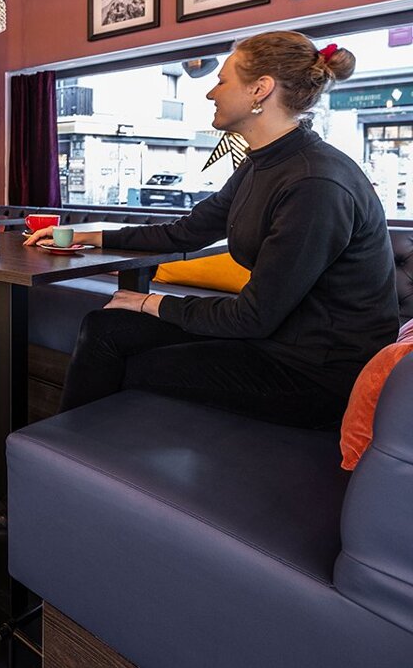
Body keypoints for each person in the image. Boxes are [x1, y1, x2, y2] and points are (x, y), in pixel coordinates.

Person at [27, 31, 397, 429]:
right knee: (105, 327)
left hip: (317, 372)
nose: (210, 93)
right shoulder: (259, 164)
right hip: (275, 338)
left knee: (136, 364)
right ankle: (61, 447)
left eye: (221, 81)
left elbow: (252, 317)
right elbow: (185, 232)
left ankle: (82, 452)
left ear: (260, 89)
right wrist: (89, 237)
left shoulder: (314, 183)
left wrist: (151, 303)